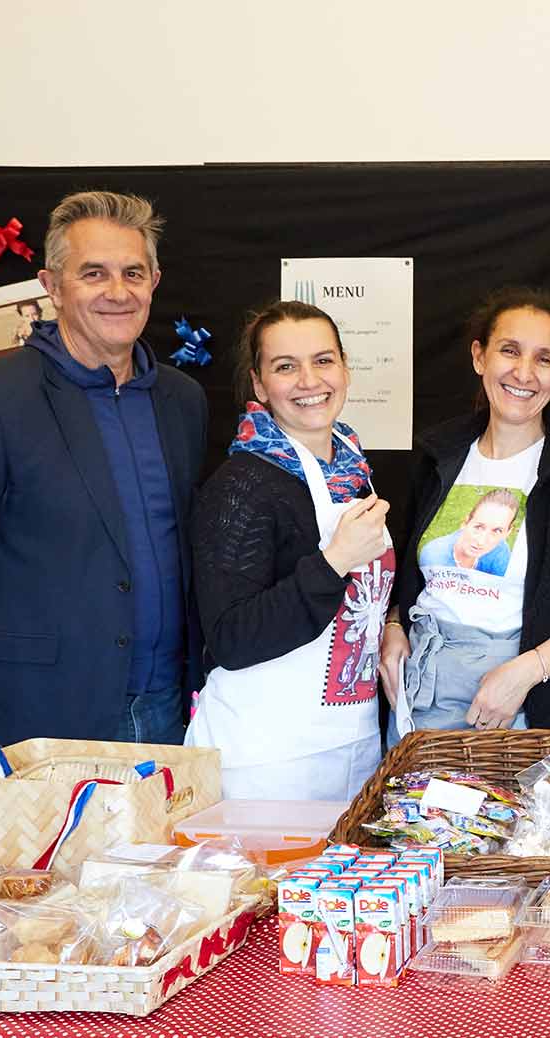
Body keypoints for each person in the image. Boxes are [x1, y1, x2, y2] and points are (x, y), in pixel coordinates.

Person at [0, 190, 206, 746]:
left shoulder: (182, 400)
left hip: (168, 710)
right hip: (42, 712)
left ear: (154, 283)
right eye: (94, 274)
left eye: (133, 273)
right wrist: (12, 647)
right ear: (52, 286)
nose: (118, 292)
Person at [381, 287, 550, 734]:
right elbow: (404, 574)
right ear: (480, 357)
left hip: (521, 707)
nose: (524, 372)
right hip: (419, 696)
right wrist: (394, 624)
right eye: (509, 351)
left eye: (545, 359)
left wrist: (526, 671)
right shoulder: (438, 457)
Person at [185, 301, 394, 800]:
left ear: (345, 369)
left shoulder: (352, 468)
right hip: (264, 757)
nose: (309, 380)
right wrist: (333, 563)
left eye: (323, 360)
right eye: (285, 366)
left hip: (353, 741)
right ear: (259, 385)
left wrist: (393, 624)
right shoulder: (242, 486)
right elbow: (231, 638)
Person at [416, 489, 520, 575]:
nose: (481, 541)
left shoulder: (500, 551)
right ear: (465, 523)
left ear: (508, 532)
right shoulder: (434, 555)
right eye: (478, 527)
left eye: (497, 531)